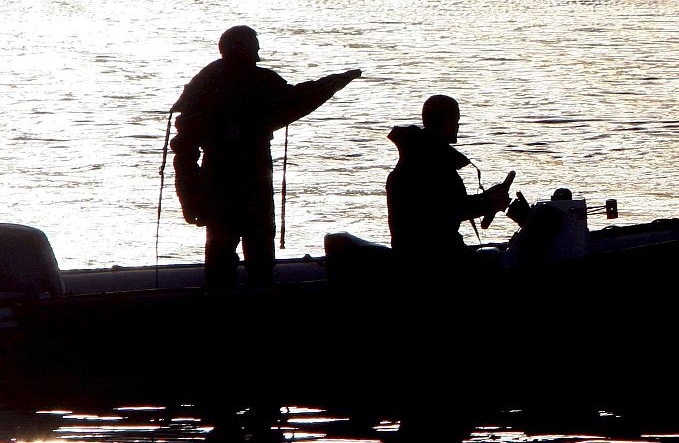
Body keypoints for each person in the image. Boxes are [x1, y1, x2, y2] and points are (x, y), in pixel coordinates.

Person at [171, 26, 361, 291]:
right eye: (254, 46)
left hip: (219, 183)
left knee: (221, 251)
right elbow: (296, 100)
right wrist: (333, 83)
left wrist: (191, 197)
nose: (258, 51)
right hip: (249, 184)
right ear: (246, 49)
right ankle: (254, 305)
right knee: (252, 255)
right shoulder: (258, 82)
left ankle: (219, 303)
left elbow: (184, 149)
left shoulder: (204, 84)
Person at [386, 94, 513, 284]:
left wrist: (487, 198)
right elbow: (448, 210)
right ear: (446, 122)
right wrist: (488, 203)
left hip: (420, 255)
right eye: (456, 120)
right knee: (496, 264)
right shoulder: (428, 165)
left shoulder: (419, 158)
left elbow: (447, 203)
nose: (458, 126)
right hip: (434, 260)